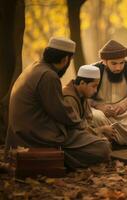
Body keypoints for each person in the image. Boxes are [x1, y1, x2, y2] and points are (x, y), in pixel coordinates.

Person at [5, 37, 110, 168]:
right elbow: (60, 112)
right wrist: (84, 127)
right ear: (65, 59)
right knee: (102, 147)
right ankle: (57, 159)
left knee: (94, 140)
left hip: (27, 131)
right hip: (37, 134)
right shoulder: (48, 75)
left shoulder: (34, 67)